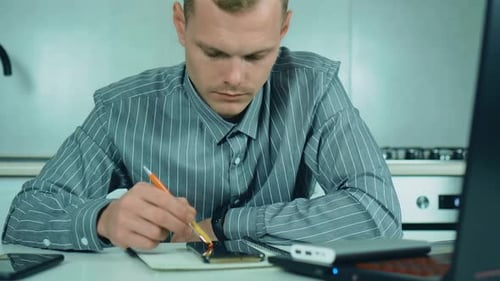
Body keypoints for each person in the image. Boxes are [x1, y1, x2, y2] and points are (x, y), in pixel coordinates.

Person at [2, 0, 402, 251]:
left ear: (283, 30)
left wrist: (222, 227)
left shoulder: (313, 88)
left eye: (257, 55)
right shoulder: (122, 109)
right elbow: (23, 217)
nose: (234, 78)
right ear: (181, 25)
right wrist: (102, 219)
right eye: (213, 52)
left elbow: (378, 215)